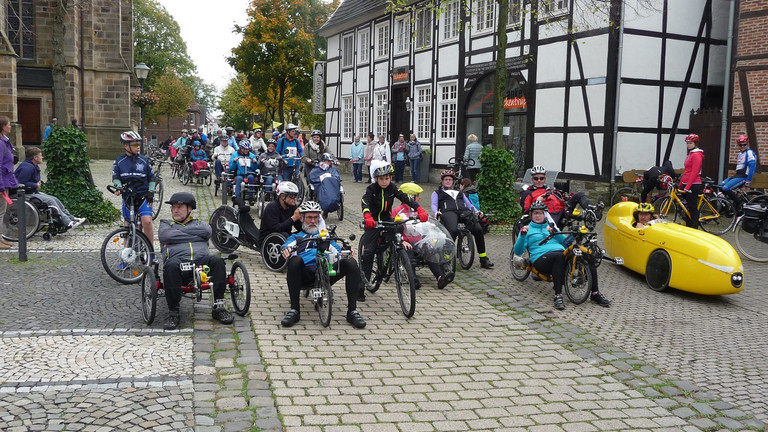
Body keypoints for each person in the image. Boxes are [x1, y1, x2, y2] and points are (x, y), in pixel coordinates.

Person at [279, 201, 367, 329]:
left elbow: (338, 250)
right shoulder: (297, 237)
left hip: (327, 271)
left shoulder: (325, 237)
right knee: (295, 261)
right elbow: (286, 246)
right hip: (306, 273)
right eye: (310, 217)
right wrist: (285, 250)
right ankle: (294, 310)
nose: (313, 221)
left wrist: (347, 251)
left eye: (316, 217)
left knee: (351, 262)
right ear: (302, 218)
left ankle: (352, 311)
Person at [513, 201, 611, 310]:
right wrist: (522, 235)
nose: (538, 215)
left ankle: (595, 293)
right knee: (559, 257)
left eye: (540, 213)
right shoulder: (528, 229)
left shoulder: (551, 227)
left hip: (559, 254)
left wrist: (555, 231)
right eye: (535, 213)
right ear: (531, 214)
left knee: (588, 255)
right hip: (541, 258)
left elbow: (566, 243)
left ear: (545, 214)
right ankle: (558, 295)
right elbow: (518, 250)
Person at [158, 192, 234, 330]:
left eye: (179, 207)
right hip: (178, 262)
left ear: (189, 209)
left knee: (217, 261)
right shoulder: (166, 224)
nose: (175, 210)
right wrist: (193, 234)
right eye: (173, 207)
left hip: (200, 262)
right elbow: (166, 235)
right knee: (171, 266)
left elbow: (207, 231)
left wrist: (179, 233)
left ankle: (219, 307)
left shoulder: (201, 224)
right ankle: (174, 312)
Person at [360, 164, 429, 297]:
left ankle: (395, 254)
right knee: (368, 254)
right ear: (376, 179)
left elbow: (405, 198)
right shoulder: (371, 189)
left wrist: (419, 208)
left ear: (391, 178)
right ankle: (361, 286)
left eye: (387, 178)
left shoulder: (392, 188)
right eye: (381, 179)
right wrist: (367, 215)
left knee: (399, 228)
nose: (384, 181)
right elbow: (365, 201)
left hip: (386, 219)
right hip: (373, 221)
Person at [392, 182, 455, 289]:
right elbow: (393, 229)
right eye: (417, 195)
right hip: (405, 242)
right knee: (409, 252)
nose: (420, 198)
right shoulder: (397, 212)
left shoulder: (418, 210)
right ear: (410, 197)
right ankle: (413, 278)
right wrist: (402, 241)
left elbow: (428, 223)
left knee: (429, 250)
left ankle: (440, 278)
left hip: (419, 241)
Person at [431, 169, 494, 269]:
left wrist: (476, 211)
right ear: (442, 181)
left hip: (463, 211)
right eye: (446, 179)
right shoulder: (437, 193)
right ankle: (446, 258)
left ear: (453, 181)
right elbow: (434, 205)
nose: (448, 181)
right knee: (453, 230)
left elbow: (469, 205)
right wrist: (436, 212)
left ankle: (483, 258)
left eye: (450, 180)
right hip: (448, 212)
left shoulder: (459, 192)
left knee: (478, 229)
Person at [14, 147, 85, 230]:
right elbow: (20, 183)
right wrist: (35, 185)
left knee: (55, 199)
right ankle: (67, 223)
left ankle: (71, 218)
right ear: (35, 157)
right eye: (41, 155)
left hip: (31, 192)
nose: (42, 157)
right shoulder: (27, 168)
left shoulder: (33, 166)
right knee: (50, 201)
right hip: (24, 194)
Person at [520, 165, 601, 227]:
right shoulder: (528, 193)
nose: (539, 181)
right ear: (532, 180)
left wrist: (566, 197)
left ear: (545, 179)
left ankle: (594, 212)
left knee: (579, 195)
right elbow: (526, 212)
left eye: (541, 178)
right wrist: (537, 202)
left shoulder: (550, 189)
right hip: (547, 216)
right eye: (536, 178)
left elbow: (561, 199)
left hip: (563, 213)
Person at [112, 131, 156, 245]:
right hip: (128, 197)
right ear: (126, 146)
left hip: (143, 196)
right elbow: (116, 177)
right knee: (127, 225)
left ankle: (151, 251)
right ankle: (126, 254)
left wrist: (151, 191)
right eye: (135, 145)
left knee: (147, 222)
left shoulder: (144, 160)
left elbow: (152, 178)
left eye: (139, 144)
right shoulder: (119, 161)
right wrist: (118, 187)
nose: (138, 147)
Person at [720, 134, 757, 209]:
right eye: (740, 145)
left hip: (744, 176)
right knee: (721, 186)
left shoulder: (749, 153)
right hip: (738, 175)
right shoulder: (740, 154)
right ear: (738, 145)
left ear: (747, 144)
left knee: (726, 188)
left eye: (744, 144)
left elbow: (752, 167)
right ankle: (726, 208)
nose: (742, 146)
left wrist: (748, 181)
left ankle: (740, 205)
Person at [0, 115, 19, 249]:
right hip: (2, 182)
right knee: (0, 211)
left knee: (2, 211)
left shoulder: (4, 141)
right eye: (9, 124)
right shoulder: (0, 143)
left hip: (6, 181)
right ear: (2, 127)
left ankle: (1, 238)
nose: (10, 126)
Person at [680, 133, 704, 229]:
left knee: (693, 207)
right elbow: (686, 171)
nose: (688, 145)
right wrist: (681, 184)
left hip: (694, 184)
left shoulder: (697, 155)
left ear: (695, 143)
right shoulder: (690, 154)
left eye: (690, 143)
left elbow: (694, 172)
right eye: (687, 143)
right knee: (687, 207)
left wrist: (687, 186)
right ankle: (688, 225)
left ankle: (694, 228)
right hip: (687, 183)